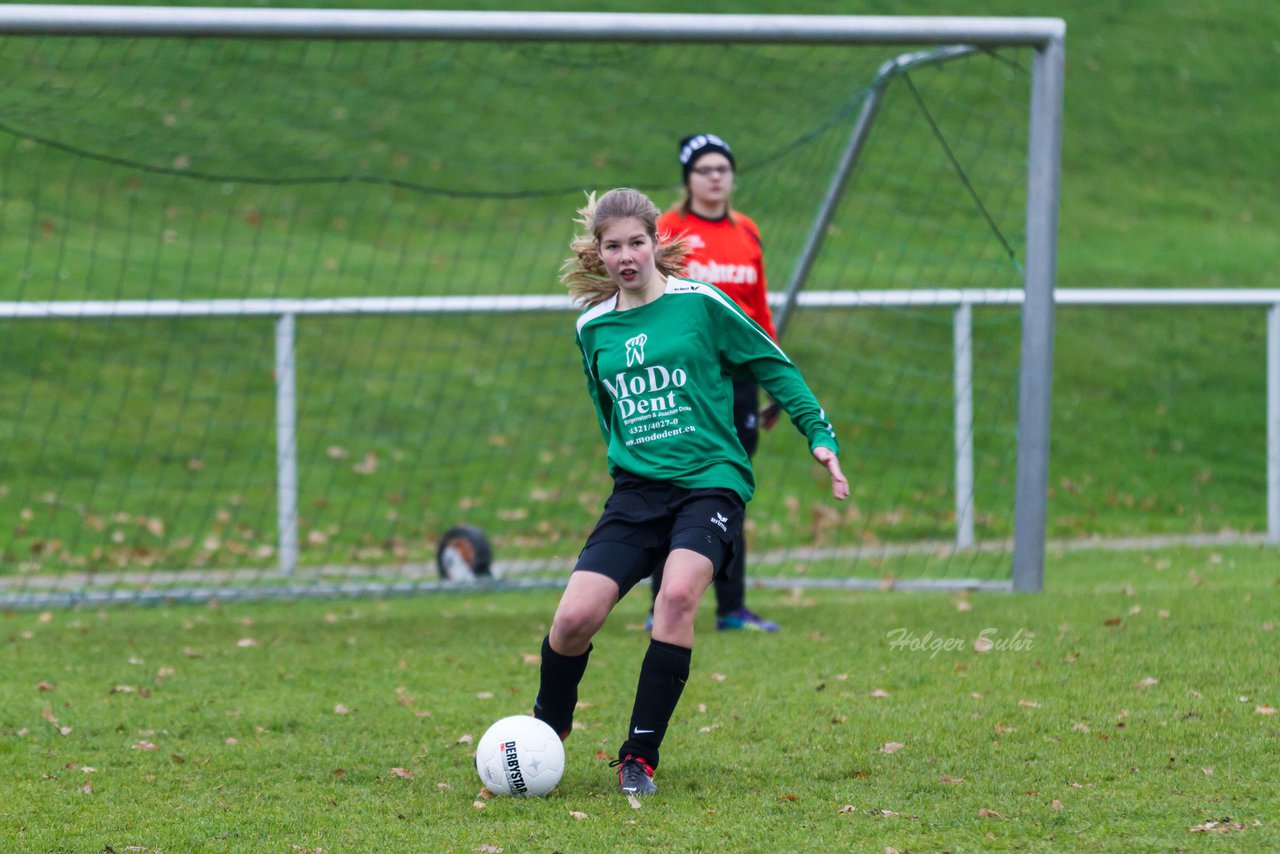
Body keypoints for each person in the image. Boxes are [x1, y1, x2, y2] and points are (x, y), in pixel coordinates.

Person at [532, 187, 848, 796]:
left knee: (676, 597)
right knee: (573, 619)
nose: (626, 256)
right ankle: (546, 730)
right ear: (597, 253)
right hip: (636, 494)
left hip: (710, 483)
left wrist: (818, 434)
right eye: (613, 246)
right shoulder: (592, 327)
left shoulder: (700, 303)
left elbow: (772, 362)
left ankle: (639, 757)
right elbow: (609, 414)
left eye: (636, 243)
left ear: (658, 242)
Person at [651, 132, 782, 632]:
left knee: (729, 486)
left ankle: (732, 608)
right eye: (703, 168)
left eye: (721, 168)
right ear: (688, 177)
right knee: (669, 483)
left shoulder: (747, 230)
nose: (714, 176)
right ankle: (660, 603)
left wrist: (773, 378)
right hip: (681, 380)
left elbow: (759, 310)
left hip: (737, 380)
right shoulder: (666, 229)